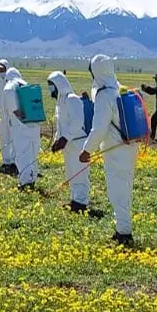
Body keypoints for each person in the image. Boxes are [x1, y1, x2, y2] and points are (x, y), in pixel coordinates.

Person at [81, 54, 139, 246]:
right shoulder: (118, 88)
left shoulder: (104, 94)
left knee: (117, 191)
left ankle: (124, 233)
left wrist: (86, 150)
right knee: (124, 188)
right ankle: (122, 228)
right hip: (128, 148)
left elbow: (99, 128)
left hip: (116, 151)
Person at [47, 70, 102, 216]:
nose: (50, 89)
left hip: (78, 143)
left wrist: (65, 138)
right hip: (68, 144)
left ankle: (81, 203)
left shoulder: (72, 99)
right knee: (71, 172)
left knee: (80, 173)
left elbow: (77, 122)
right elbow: (61, 125)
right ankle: (74, 200)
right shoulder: (60, 102)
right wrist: (57, 141)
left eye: (51, 85)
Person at [0, 67, 41, 191]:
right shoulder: (26, 84)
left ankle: (25, 182)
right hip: (33, 124)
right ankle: (32, 179)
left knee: (21, 154)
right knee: (32, 153)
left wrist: (20, 116)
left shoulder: (9, 86)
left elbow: (13, 108)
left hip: (20, 126)